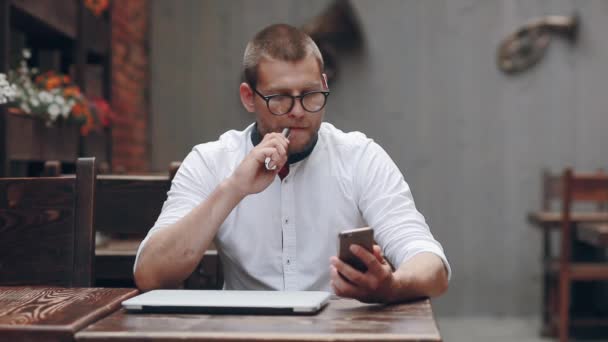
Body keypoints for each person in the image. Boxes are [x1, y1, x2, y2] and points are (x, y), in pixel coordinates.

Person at [134, 23, 451, 303]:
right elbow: (151, 274)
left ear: (325, 87)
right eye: (280, 97)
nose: (298, 111)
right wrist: (234, 188)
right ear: (248, 97)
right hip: (243, 335)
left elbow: (431, 265)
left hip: (339, 333)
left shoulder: (360, 156)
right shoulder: (211, 160)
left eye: (310, 94)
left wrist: (391, 286)